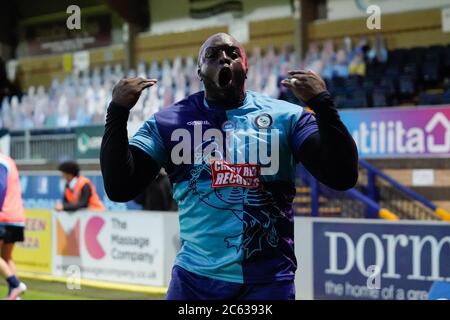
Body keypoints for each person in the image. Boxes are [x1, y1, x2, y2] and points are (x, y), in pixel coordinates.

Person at [100, 33, 358, 300]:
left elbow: (342, 175)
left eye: (233, 54)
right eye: (212, 55)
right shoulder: (167, 122)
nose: (223, 57)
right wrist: (117, 111)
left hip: (268, 281)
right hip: (194, 281)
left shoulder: (288, 117)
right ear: (199, 71)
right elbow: (120, 187)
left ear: (246, 67)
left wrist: (323, 105)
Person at [0, 152, 27, 300]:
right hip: (16, 217)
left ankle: (15, 284)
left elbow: (1, 185)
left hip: (3, 216)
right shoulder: (8, 160)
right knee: (6, 257)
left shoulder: (1, 162)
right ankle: (15, 296)